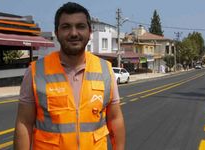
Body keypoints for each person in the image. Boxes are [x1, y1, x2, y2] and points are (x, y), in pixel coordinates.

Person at [13, 2, 125, 150]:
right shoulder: (35, 71)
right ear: (57, 32)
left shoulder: (106, 70)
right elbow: (24, 123)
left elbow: (115, 119)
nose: (73, 33)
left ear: (90, 32)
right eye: (66, 27)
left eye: (80, 26)